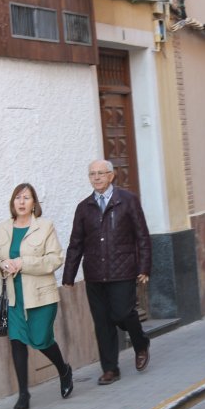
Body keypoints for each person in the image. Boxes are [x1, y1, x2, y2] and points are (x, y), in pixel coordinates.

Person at [62, 160, 151, 385]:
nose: (97, 177)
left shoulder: (128, 200)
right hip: (94, 273)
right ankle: (110, 368)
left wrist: (144, 267)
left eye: (101, 173)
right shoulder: (84, 207)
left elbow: (142, 235)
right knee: (102, 322)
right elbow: (76, 243)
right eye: (92, 174)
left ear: (111, 176)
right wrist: (69, 275)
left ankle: (140, 343)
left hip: (123, 271)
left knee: (122, 313)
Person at [0, 183, 73, 409]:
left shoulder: (45, 227)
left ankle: (64, 370)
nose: (21, 202)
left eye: (26, 198)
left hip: (41, 297)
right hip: (14, 297)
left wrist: (23, 263)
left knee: (41, 339)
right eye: (17, 197)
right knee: (17, 341)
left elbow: (55, 259)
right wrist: (2, 265)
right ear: (12, 202)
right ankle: (23, 394)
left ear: (34, 203)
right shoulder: (2, 229)